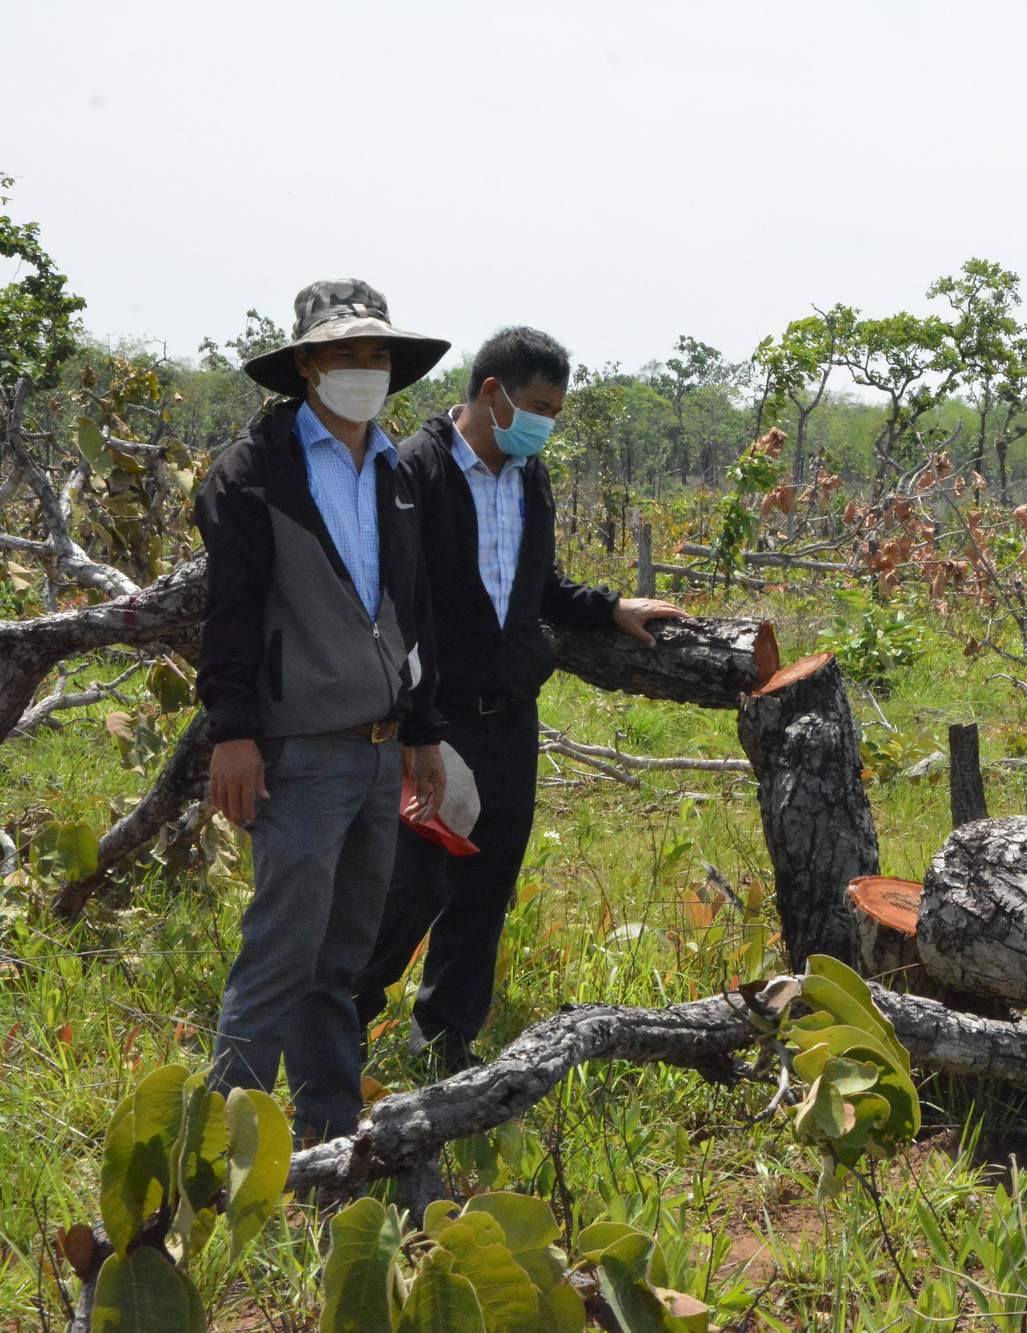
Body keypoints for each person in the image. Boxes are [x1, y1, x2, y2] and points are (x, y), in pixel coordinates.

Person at [354, 326, 686, 1074]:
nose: (547, 424)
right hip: (436, 725)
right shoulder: (416, 471)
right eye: (539, 405)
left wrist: (606, 607)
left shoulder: (529, 476)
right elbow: (394, 607)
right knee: (412, 886)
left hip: (510, 720)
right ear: (492, 394)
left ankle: (446, 1039)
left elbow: (535, 586)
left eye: (557, 411)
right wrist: (417, 726)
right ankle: (340, 1018)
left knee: (487, 889)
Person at [194, 279, 450, 1141]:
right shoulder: (252, 474)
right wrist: (233, 733)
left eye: (378, 356)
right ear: (306, 364)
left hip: (379, 750)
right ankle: (226, 1153)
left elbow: (409, 605)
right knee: (280, 953)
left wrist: (420, 728)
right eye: (348, 355)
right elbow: (228, 616)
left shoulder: (395, 470)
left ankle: (328, 1135)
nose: (367, 371)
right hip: (297, 749)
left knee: (341, 958)